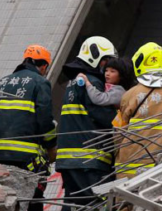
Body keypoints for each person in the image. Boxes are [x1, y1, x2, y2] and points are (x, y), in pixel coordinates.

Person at [0, 44, 57, 211]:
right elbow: (45, 119)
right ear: (43, 66)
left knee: (6, 201)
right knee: (32, 200)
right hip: (26, 158)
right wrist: (51, 145)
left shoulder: (1, 83)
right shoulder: (41, 82)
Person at [56, 36, 118, 210]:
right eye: (108, 61)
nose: (109, 68)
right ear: (98, 59)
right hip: (89, 161)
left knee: (72, 204)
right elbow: (107, 119)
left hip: (68, 160)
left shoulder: (73, 82)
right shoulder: (93, 83)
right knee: (93, 205)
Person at [114, 42, 162, 179]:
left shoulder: (131, 95)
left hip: (130, 164)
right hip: (161, 163)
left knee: (124, 199)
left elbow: (118, 131)